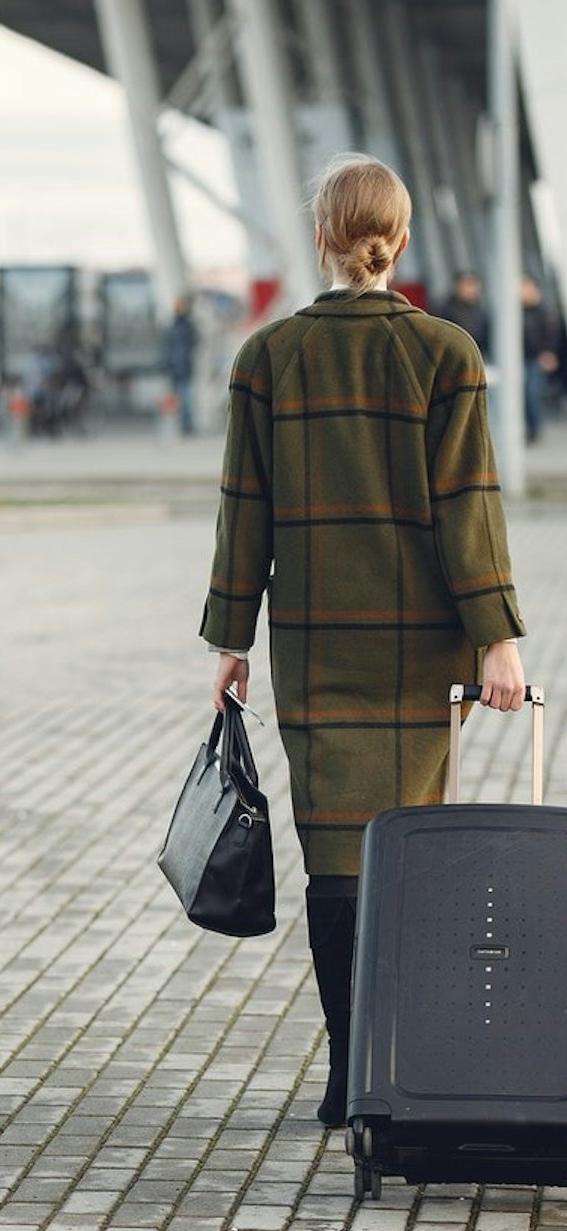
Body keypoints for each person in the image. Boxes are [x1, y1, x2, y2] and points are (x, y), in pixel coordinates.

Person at [201, 154, 528, 1129]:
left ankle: (349, 1074)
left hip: (314, 650)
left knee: (335, 862)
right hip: (421, 651)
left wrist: (232, 639)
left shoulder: (268, 355)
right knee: (408, 854)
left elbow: (241, 513)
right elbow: (469, 511)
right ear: (402, 235)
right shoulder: (446, 353)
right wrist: (498, 640)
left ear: (322, 237)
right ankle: (398, 1070)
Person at [521, 275, 560, 444]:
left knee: (531, 392)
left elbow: (552, 334)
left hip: (536, 358)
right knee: (523, 393)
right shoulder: (515, 311)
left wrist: (549, 353)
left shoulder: (545, 311)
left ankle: (534, 429)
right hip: (519, 359)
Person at [163, 295, 200, 436]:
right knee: (178, 399)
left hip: (184, 367)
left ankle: (187, 426)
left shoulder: (186, 326)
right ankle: (180, 425)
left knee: (186, 399)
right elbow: (167, 347)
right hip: (175, 367)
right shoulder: (173, 326)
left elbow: (194, 343)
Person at [436, 270, 489, 356]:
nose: (471, 289)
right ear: (458, 286)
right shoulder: (445, 310)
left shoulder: (481, 311)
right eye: (468, 285)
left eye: (474, 285)